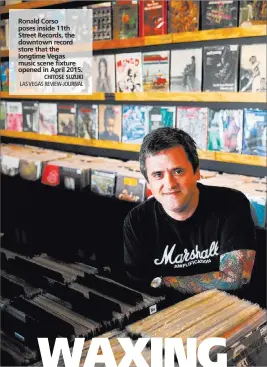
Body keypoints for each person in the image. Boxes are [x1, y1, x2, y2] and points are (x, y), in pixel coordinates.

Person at [123, 127, 256, 296]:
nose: (170, 184)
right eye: (158, 175)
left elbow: (236, 278)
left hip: (226, 308)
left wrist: (163, 281)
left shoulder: (231, 203)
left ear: (196, 171)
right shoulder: (137, 221)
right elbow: (140, 289)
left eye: (178, 171)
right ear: (148, 183)